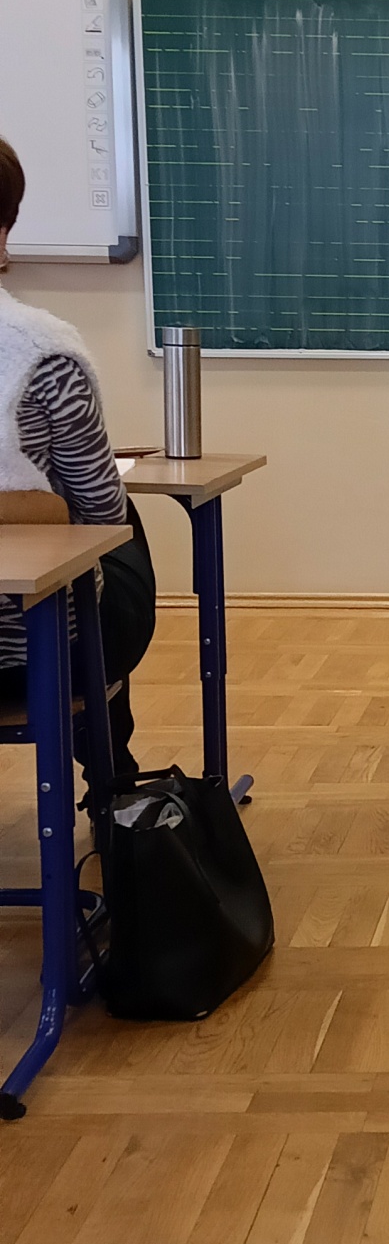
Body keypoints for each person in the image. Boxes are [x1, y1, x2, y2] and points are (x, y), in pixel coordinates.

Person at [0, 138, 154, 787]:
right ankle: (112, 780)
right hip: (26, 655)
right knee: (118, 529)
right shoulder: (44, 350)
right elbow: (99, 515)